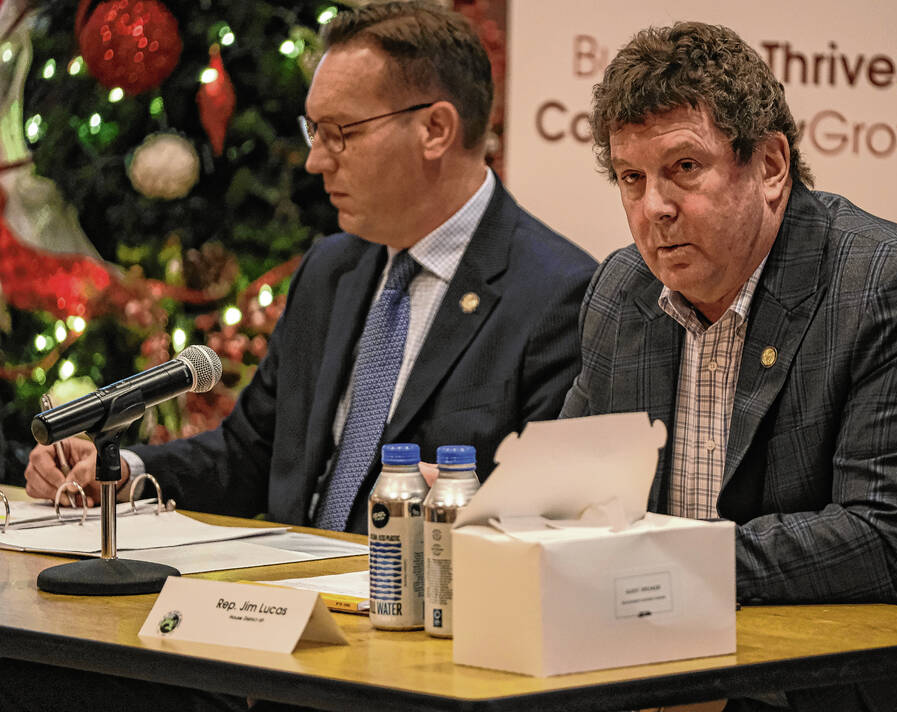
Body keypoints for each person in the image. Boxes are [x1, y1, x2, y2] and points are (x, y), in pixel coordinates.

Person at [559, 21, 897, 712]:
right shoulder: (623, 291)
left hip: (891, 690)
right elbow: (572, 493)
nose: (655, 209)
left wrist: (658, 562)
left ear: (770, 166)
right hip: (696, 674)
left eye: (684, 168)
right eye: (631, 178)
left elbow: (880, 541)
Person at [23, 1, 595, 536]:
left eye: (341, 133)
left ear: (436, 130)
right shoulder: (332, 267)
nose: (316, 160)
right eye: (314, 131)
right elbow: (250, 454)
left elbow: (546, 526)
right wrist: (121, 472)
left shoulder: (557, 296)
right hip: (286, 590)